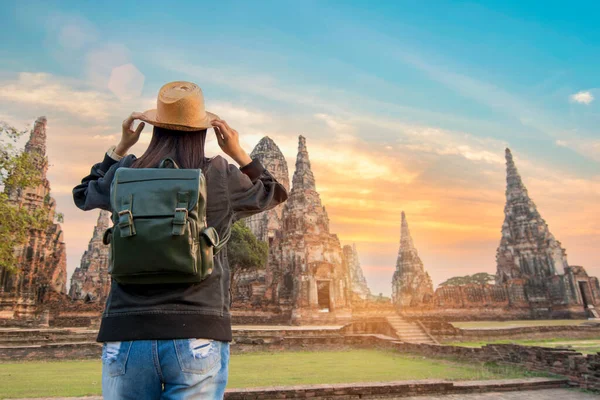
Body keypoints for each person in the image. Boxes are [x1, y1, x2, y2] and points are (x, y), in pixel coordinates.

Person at [72, 81, 288, 399]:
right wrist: (238, 152)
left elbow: (82, 195)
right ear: (202, 131)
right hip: (198, 330)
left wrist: (120, 148)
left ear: (155, 129)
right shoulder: (219, 174)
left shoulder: (125, 172)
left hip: (128, 329)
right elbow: (275, 192)